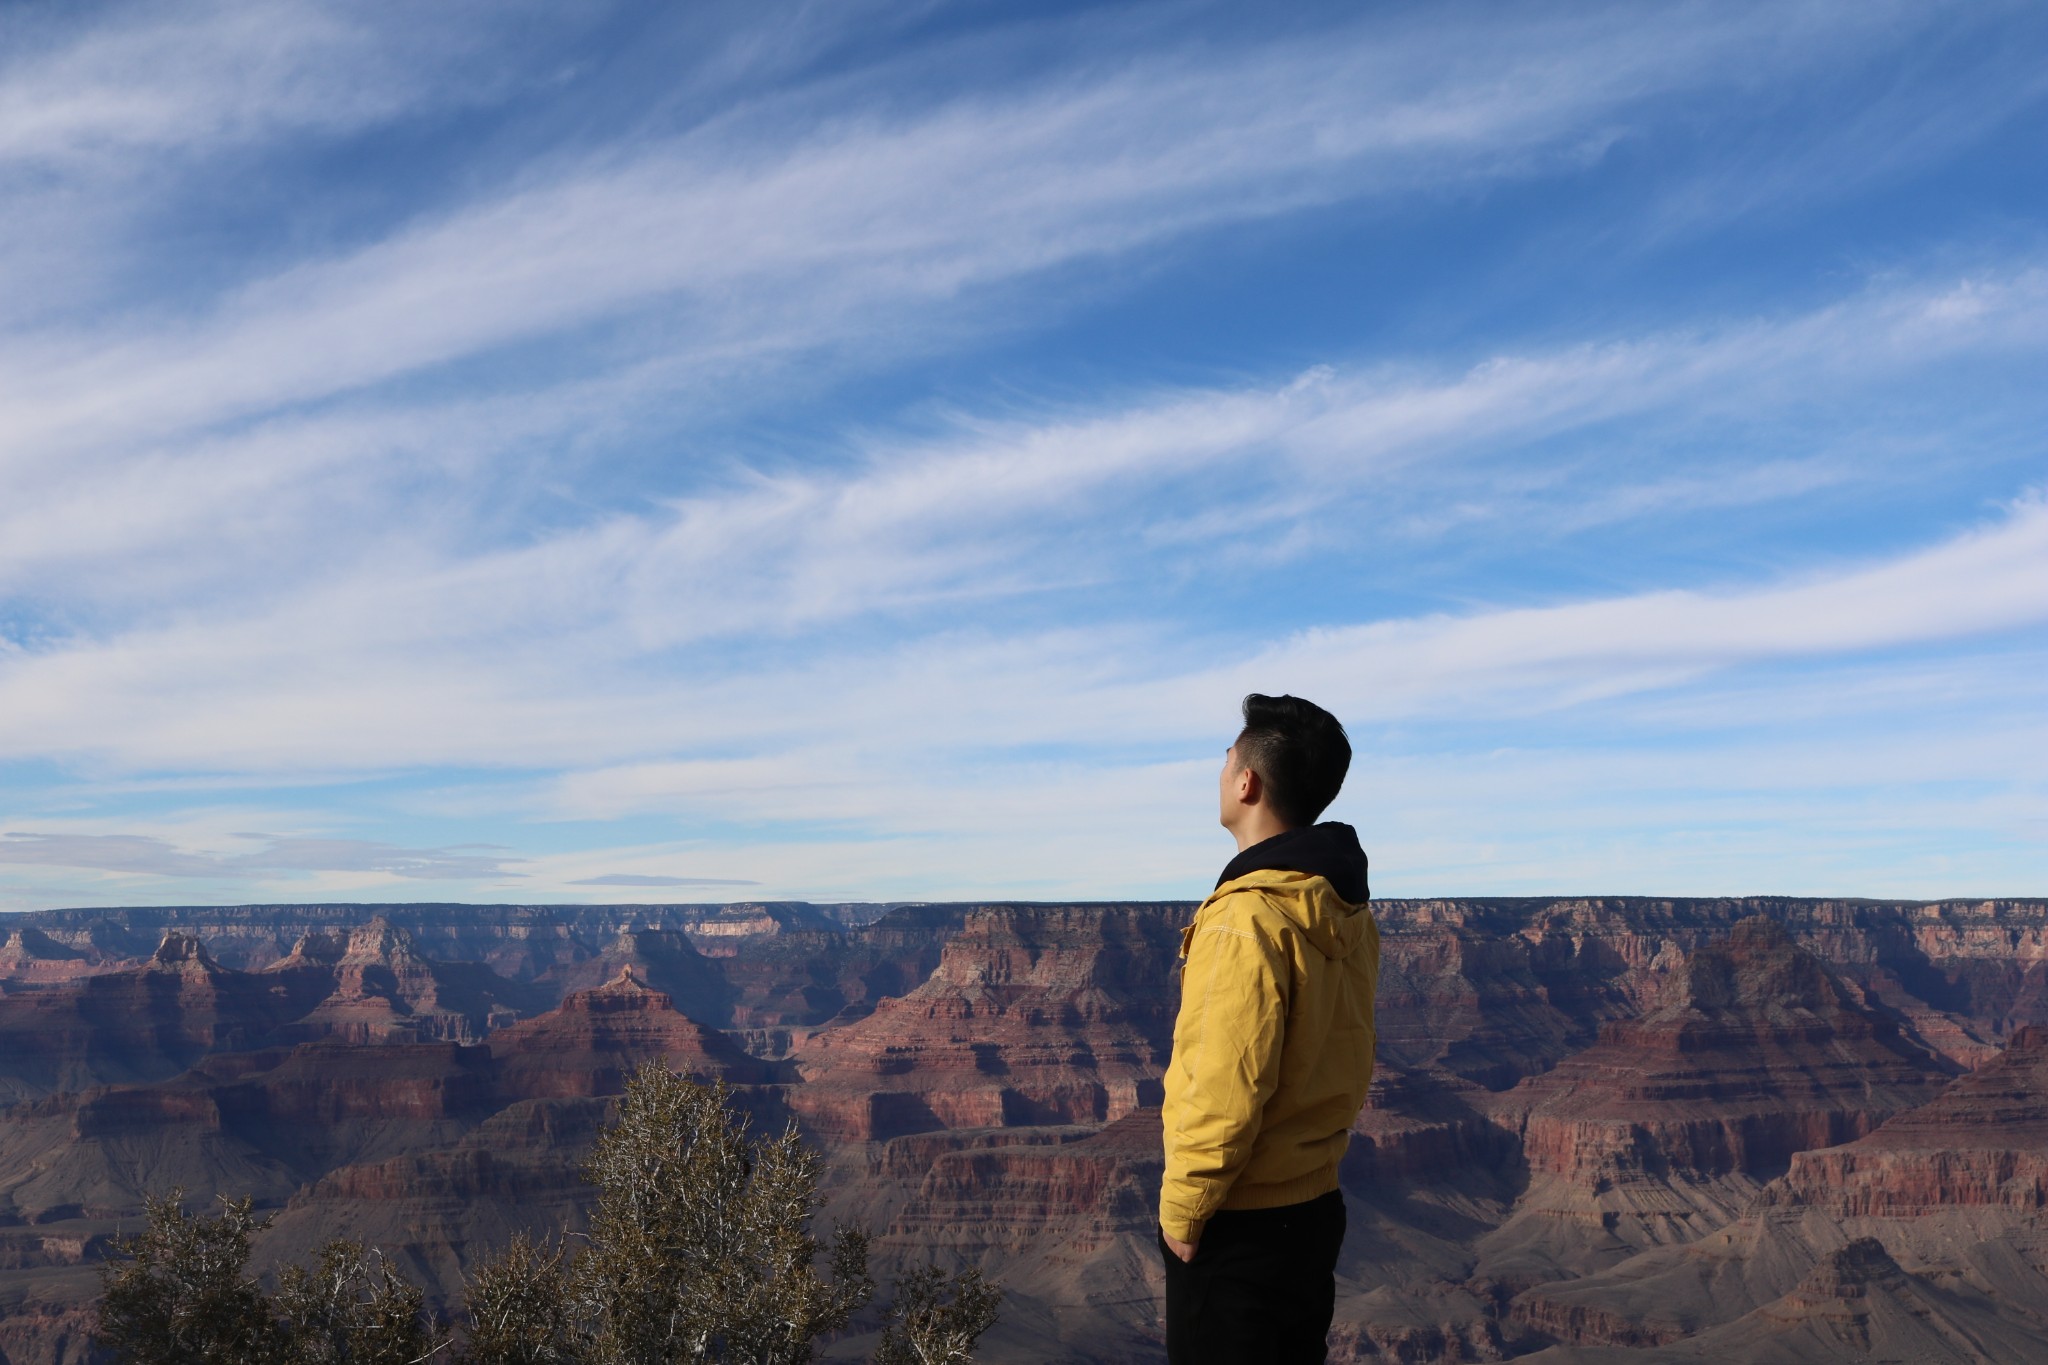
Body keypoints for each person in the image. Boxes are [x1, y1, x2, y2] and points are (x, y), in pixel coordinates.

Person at [1158, 693, 1379, 1364]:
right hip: (1314, 1203)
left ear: (1247, 781)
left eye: (1227, 758)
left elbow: (1227, 1081)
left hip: (1240, 1223)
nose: (1222, 769)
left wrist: (1184, 1213)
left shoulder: (1246, 917)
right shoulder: (1344, 908)